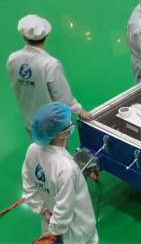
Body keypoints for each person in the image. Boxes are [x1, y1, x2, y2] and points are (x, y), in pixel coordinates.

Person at [8, 15, 92, 142]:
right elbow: (63, 97)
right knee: (58, 152)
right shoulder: (50, 64)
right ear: (47, 35)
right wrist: (79, 111)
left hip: (30, 121)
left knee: (37, 150)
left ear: (24, 37)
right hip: (53, 126)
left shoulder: (13, 59)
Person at [23, 102, 98, 244]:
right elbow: (65, 206)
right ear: (62, 134)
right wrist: (55, 230)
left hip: (50, 220)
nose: (71, 125)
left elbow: (29, 186)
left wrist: (44, 211)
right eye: (69, 123)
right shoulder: (67, 168)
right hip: (76, 230)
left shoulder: (32, 150)